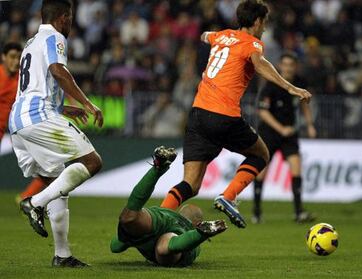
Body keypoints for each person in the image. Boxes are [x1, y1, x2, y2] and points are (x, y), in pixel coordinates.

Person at [160, 0, 312, 229]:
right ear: (258, 21)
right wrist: (290, 87)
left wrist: (207, 35)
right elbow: (260, 64)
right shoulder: (253, 44)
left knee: (190, 184)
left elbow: (204, 35)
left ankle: (157, 218)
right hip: (223, 114)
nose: (265, 28)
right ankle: (228, 196)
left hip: (198, 114)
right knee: (261, 154)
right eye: (265, 23)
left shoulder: (220, 36)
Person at [10, 0, 103, 267]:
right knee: (92, 161)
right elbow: (57, 71)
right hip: (38, 116)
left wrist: (66, 109)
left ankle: (62, 255)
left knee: (58, 184)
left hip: (20, 119)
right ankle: (35, 203)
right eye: (71, 17)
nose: (71, 23)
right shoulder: (55, 37)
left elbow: (37, 85)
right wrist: (87, 103)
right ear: (64, 17)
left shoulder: (31, 42)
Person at [110, 146, 227, 267]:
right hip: (178, 232)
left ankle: (158, 168)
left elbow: (115, 247)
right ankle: (201, 234)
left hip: (163, 218)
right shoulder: (195, 247)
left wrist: (128, 238)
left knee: (128, 218)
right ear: (196, 224)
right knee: (163, 249)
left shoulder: (169, 215)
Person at [253, 52, 317, 224]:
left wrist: (310, 124)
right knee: (261, 172)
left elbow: (304, 105)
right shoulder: (271, 85)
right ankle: (257, 212)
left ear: (295, 67)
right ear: (280, 66)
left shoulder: (300, 83)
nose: (288, 68)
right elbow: (262, 111)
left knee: (296, 169)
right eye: (285, 65)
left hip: (290, 134)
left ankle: (299, 212)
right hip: (270, 133)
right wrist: (281, 129)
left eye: (291, 65)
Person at [0, 42, 47, 203]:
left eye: (19, 58)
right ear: (3, 57)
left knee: (49, 165)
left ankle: (25, 197)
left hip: (19, 130)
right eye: (12, 57)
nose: (15, 61)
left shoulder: (23, 80)